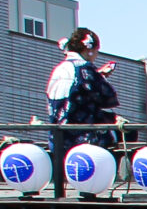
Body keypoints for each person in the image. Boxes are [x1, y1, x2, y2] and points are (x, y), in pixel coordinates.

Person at [45, 26, 120, 157]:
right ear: (88, 49)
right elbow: (108, 98)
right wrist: (99, 76)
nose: (97, 55)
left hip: (57, 140)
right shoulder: (85, 69)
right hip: (81, 141)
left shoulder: (59, 69)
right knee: (123, 129)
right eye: (96, 50)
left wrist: (98, 75)